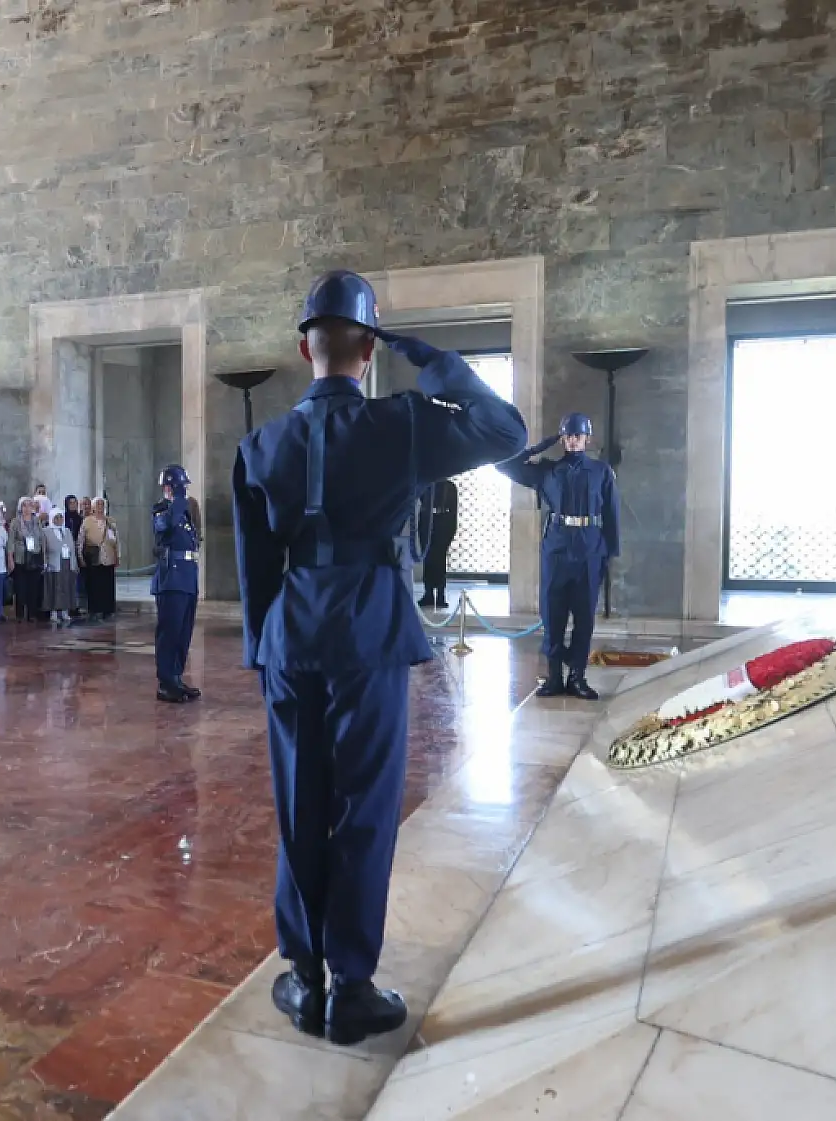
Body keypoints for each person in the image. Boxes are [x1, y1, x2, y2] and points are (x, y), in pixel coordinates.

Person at [233, 270, 527, 1045]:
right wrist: (441, 367)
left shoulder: (260, 443)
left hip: (290, 635)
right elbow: (506, 431)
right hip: (367, 629)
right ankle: (351, 987)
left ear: (305, 348)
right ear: (370, 348)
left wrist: (261, 646)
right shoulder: (403, 424)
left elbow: (255, 568)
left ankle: (303, 976)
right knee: (363, 805)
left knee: (300, 801)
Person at [498, 412, 621, 700]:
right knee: (552, 614)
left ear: (587, 439)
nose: (573, 440)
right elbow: (504, 464)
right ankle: (554, 676)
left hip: (590, 549)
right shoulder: (547, 471)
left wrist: (608, 553)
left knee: (584, 617)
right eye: (568, 435)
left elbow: (611, 514)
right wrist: (542, 445)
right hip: (556, 548)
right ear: (563, 437)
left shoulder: (602, 472)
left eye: (578, 435)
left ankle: (577, 676)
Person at [151, 465, 201, 704]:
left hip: (187, 579)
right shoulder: (162, 511)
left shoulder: (185, 515)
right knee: (169, 633)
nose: (185, 492)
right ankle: (165, 683)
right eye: (182, 487)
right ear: (170, 488)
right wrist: (178, 500)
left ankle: (176, 677)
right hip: (171, 580)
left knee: (184, 633)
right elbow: (166, 526)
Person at [417, 477, 459, 609]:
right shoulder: (426, 485)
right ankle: (428, 593)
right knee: (427, 560)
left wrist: (450, 531)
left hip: (443, 525)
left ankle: (441, 595)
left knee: (440, 560)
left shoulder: (450, 487)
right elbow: (422, 508)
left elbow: (453, 512)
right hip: (428, 524)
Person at [78, 497, 120, 622]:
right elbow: (81, 540)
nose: (100, 507)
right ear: (93, 507)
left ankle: (108, 609)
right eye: (98, 505)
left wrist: (118, 555)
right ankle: (95, 610)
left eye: (102, 505)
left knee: (108, 584)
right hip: (94, 557)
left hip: (109, 556)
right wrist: (80, 556)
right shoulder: (87, 521)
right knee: (94, 584)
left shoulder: (110, 521)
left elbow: (117, 539)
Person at [8, 498, 45, 622]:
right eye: (24, 506)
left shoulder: (37, 521)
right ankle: (19, 614)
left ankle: (32, 614)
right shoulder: (15, 522)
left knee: (33, 588)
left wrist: (42, 555)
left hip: (34, 557)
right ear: (20, 507)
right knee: (20, 588)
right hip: (20, 558)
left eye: (29, 505)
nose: (27, 508)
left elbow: (41, 539)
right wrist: (10, 559)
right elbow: (11, 541)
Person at [42, 508, 78, 625]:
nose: (59, 520)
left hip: (66, 563)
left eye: (61, 517)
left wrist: (74, 564)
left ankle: (64, 611)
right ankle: (53, 612)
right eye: (56, 518)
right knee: (54, 587)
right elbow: (44, 549)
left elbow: (72, 548)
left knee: (66, 587)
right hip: (54, 564)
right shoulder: (46, 531)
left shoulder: (67, 531)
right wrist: (45, 563)